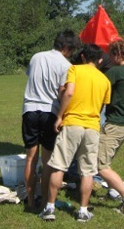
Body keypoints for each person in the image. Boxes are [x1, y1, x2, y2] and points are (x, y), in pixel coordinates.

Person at [39, 44, 111, 222]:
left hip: (72, 123)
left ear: (84, 57)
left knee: (59, 166)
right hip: (92, 127)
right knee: (87, 171)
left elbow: (69, 92)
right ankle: (83, 211)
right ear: (100, 60)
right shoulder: (105, 80)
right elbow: (102, 107)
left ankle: (49, 208)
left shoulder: (74, 69)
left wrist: (59, 116)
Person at [22, 30, 81, 210]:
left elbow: (31, 77)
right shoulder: (66, 65)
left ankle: (30, 200)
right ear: (66, 48)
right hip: (49, 112)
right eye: (71, 50)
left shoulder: (36, 57)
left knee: (31, 157)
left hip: (29, 109)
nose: (71, 54)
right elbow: (62, 92)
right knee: (47, 158)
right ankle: (45, 199)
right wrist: (61, 114)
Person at [97, 39, 124, 215]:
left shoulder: (116, 72)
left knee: (100, 167)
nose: (108, 57)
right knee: (106, 161)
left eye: (110, 54)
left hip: (115, 126)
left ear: (119, 55)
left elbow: (98, 86)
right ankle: (114, 192)